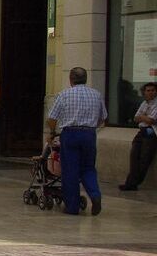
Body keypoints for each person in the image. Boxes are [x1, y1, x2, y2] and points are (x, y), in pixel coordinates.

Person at [46, 67, 106, 215]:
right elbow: (103, 118)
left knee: (70, 170)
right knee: (88, 168)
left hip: (70, 134)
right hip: (89, 134)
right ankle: (95, 195)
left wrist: (53, 132)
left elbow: (52, 118)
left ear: (71, 79)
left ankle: (72, 207)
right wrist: (91, 127)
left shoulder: (64, 94)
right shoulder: (96, 94)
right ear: (86, 79)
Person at [120, 82, 157, 191]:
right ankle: (130, 182)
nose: (150, 92)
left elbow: (151, 120)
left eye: (153, 90)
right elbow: (136, 118)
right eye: (148, 90)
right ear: (144, 92)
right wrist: (144, 117)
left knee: (144, 158)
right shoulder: (144, 103)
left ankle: (133, 183)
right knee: (134, 155)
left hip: (152, 133)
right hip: (142, 131)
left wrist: (144, 117)